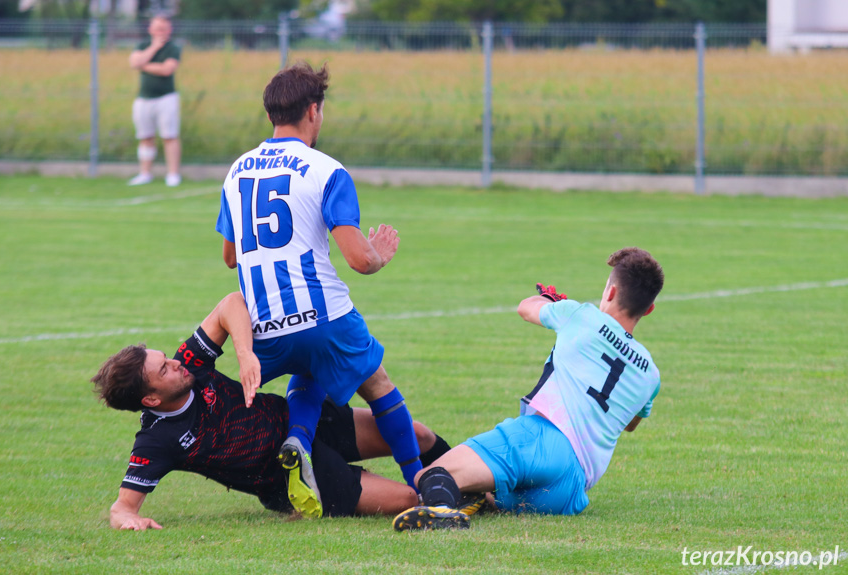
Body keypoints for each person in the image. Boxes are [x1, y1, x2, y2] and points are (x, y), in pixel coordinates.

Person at [215, 62, 423, 518]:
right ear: (314, 110)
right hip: (322, 313)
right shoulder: (326, 170)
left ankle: (298, 440)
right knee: (378, 384)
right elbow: (359, 260)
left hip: (263, 323)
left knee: (308, 370)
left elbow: (230, 257)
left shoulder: (237, 172)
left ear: (272, 114)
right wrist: (380, 254)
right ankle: (421, 483)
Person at [93, 293, 453, 530]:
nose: (175, 363)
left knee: (417, 434)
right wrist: (127, 519)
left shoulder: (191, 364)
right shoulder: (157, 440)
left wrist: (245, 352)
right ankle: (447, 502)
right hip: (291, 479)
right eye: (164, 370)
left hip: (304, 423)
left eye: (166, 358)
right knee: (405, 498)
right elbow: (121, 507)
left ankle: (478, 485)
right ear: (151, 400)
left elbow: (231, 303)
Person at [393, 247, 665, 531]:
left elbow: (526, 308)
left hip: (540, 442)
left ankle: (440, 511)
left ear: (609, 292)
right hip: (570, 490)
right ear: (649, 309)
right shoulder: (651, 375)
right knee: (490, 492)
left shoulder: (580, 315)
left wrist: (548, 299)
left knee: (432, 475)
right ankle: (477, 497)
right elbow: (630, 423)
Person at [127, 15, 182, 187]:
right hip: (144, 99)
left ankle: (173, 174)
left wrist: (144, 65)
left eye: (164, 29)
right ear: (150, 29)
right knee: (145, 136)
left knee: (170, 136)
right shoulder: (143, 45)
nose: (161, 32)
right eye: (158, 28)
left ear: (170, 30)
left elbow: (167, 69)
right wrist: (153, 48)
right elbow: (134, 61)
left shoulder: (173, 48)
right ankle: (145, 173)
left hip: (166, 98)